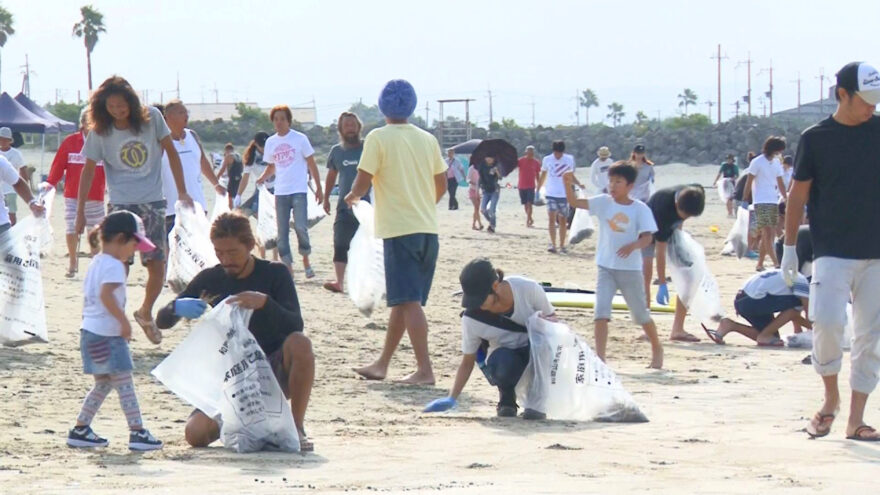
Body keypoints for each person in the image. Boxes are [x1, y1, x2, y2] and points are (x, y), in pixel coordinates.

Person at [155, 213, 316, 451]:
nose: (226, 259)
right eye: (219, 252)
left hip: (272, 370)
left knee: (301, 343)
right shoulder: (212, 278)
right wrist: (176, 307)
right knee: (195, 434)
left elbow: (295, 324)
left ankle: (296, 426)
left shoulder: (275, 273)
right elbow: (162, 321)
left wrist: (265, 303)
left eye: (233, 252)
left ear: (250, 246)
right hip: (232, 376)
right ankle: (247, 426)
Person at [781, 61, 880, 442]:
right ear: (842, 95)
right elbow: (798, 194)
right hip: (832, 249)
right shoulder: (816, 138)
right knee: (826, 322)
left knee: (870, 335)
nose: (872, 107)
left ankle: (856, 419)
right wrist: (790, 248)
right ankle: (830, 398)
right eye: (865, 101)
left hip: (876, 253)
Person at [345, 79, 447, 385]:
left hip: (400, 231)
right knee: (404, 300)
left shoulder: (378, 137)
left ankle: (425, 369)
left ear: (382, 107)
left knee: (409, 301)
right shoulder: (427, 139)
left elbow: (363, 181)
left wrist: (352, 197)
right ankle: (382, 364)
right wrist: (423, 205)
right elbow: (441, 184)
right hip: (428, 229)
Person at [79, 76, 194, 346]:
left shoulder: (152, 117)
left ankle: (145, 312)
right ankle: (115, 321)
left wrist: (182, 190)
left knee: (157, 263)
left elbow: (171, 153)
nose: (118, 111)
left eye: (122, 105)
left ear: (131, 102)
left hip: (153, 202)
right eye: (112, 107)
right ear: (103, 108)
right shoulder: (100, 131)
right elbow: (88, 169)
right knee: (119, 266)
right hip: (120, 204)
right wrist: (82, 208)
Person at [66, 211, 163, 451]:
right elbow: (106, 295)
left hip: (90, 332)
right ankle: (138, 431)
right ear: (121, 239)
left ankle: (80, 429)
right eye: (134, 245)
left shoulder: (97, 262)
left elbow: (92, 298)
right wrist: (124, 323)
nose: (135, 251)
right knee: (124, 383)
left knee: (104, 383)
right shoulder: (114, 266)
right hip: (107, 335)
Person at [423, 258, 556, 418]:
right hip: (503, 357)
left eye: (479, 299)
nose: (477, 305)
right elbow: (467, 362)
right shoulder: (472, 318)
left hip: (534, 351)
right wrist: (452, 398)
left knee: (544, 346)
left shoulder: (527, 289)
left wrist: (544, 324)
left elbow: (553, 323)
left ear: (494, 286)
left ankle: (536, 402)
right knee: (503, 363)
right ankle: (506, 398)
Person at [564, 163, 663, 368]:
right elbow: (574, 202)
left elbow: (648, 238)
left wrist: (634, 245)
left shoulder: (640, 209)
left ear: (629, 186)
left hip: (630, 270)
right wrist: (567, 183)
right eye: (611, 181)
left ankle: (656, 348)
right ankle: (600, 359)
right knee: (601, 312)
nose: (613, 185)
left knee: (640, 314)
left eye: (618, 182)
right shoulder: (603, 202)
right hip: (605, 267)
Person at [257, 105, 323, 279]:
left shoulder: (300, 139)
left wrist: (318, 188)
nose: (279, 122)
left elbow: (312, 163)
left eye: (282, 119)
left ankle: (306, 258)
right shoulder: (271, 142)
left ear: (288, 121)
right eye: (276, 119)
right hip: (281, 192)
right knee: (282, 231)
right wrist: (262, 178)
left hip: (299, 190)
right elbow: (272, 166)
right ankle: (288, 267)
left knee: (301, 227)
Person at [46, 110, 107, 278]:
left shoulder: (104, 141)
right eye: (92, 120)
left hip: (96, 195)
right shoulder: (71, 142)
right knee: (72, 228)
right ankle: (73, 262)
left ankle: (96, 263)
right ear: (83, 123)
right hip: (72, 195)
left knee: (94, 231)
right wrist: (50, 183)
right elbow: (58, 164)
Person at [644, 184, 706, 342]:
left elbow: (679, 222)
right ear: (677, 205)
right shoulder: (663, 209)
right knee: (645, 276)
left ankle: (677, 329)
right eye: (683, 215)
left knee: (689, 277)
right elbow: (660, 249)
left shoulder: (693, 194)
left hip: (672, 233)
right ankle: (646, 328)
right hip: (644, 233)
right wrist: (662, 282)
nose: (685, 218)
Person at [160, 100, 226, 235]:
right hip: (172, 208)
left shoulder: (192, 135)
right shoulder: (160, 140)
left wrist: (216, 184)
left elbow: (202, 161)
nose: (186, 115)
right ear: (168, 117)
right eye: (181, 112)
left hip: (197, 204)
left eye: (186, 112)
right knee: (173, 251)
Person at [322, 112, 370, 294]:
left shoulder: (368, 148)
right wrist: (326, 198)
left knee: (366, 245)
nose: (350, 128)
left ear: (358, 127)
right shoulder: (336, 151)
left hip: (366, 206)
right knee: (340, 242)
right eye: (346, 125)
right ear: (341, 129)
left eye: (352, 124)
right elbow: (331, 176)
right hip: (343, 206)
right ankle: (339, 282)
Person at [705, 269, 810, 346]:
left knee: (773, 338)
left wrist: (801, 331)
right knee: (796, 304)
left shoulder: (794, 275)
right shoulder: (802, 283)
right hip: (752, 301)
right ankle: (765, 335)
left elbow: (795, 318)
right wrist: (818, 330)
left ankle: (730, 325)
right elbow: (802, 312)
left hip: (743, 299)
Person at [744, 136, 787, 272]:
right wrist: (745, 199)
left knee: (770, 234)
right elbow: (749, 181)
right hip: (760, 201)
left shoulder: (776, 163)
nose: (779, 153)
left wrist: (786, 197)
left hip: (773, 200)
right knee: (767, 232)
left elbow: (780, 182)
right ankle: (776, 263)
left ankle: (760, 264)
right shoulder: (757, 162)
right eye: (778, 150)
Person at [537, 140, 579, 253]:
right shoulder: (547, 159)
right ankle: (553, 244)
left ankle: (562, 245)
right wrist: (538, 188)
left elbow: (571, 175)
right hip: (551, 193)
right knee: (551, 219)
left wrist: (578, 184)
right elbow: (543, 174)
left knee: (563, 220)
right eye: (556, 153)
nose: (558, 155)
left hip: (564, 194)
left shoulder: (569, 159)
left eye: (560, 153)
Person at [235, 131, 272, 217]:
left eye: (266, 146)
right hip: (261, 187)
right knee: (248, 212)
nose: (264, 149)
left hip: (275, 187)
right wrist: (239, 195)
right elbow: (245, 177)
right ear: (255, 144)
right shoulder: (251, 156)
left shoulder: (274, 152)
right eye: (261, 146)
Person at [0, 127, 26, 226]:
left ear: (10, 141)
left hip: (11, 188)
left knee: (11, 212)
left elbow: (22, 168)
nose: (3, 141)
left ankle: (12, 230)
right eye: (1, 139)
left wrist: (25, 185)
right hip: (1, 188)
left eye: (5, 139)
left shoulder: (16, 153)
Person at [517, 145, 541, 227]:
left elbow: (538, 174)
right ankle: (530, 218)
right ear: (526, 152)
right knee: (525, 204)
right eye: (529, 151)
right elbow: (512, 166)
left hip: (531, 186)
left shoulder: (536, 162)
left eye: (532, 151)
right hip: (521, 185)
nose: (530, 153)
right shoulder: (520, 161)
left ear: (534, 153)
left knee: (530, 203)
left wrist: (539, 185)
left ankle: (528, 220)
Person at [478, 156, 501, 233]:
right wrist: (478, 189)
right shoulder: (482, 167)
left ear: (494, 159)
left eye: (491, 158)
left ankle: (492, 226)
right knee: (483, 210)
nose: (489, 159)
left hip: (495, 190)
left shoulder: (495, 167)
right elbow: (480, 179)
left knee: (491, 210)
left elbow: (500, 178)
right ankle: (491, 222)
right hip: (486, 191)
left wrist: (497, 172)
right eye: (487, 157)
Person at [216, 143, 242, 210]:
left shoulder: (228, 157)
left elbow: (223, 169)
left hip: (232, 179)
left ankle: (231, 212)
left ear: (226, 150)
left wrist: (216, 178)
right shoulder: (238, 156)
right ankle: (238, 212)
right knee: (237, 196)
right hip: (239, 179)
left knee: (230, 197)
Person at [467, 161, 483, 231]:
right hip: (472, 189)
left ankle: (474, 224)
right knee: (476, 207)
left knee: (477, 208)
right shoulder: (472, 168)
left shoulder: (482, 167)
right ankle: (479, 224)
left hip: (479, 190)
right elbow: (468, 179)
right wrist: (475, 183)